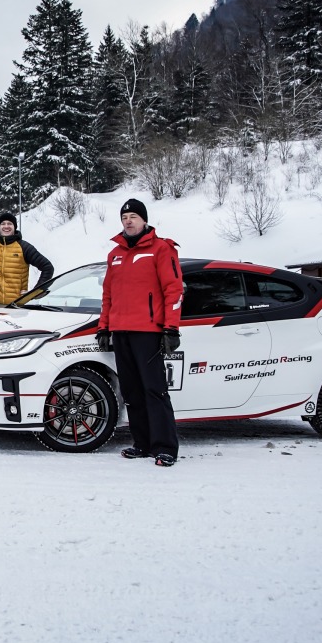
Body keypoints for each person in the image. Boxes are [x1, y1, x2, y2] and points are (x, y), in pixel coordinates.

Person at [95, 198, 183, 468]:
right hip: (121, 331)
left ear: (144, 220)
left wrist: (171, 328)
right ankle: (142, 444)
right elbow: (108, 294)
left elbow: (174, 290)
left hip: (148, 332)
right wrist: (104, 327)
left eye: (133, 216)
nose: (128, 221)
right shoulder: (115, 254)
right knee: (131, 392)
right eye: (124, 218)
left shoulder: (162, 249)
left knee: (153, 390)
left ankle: (165, 447)